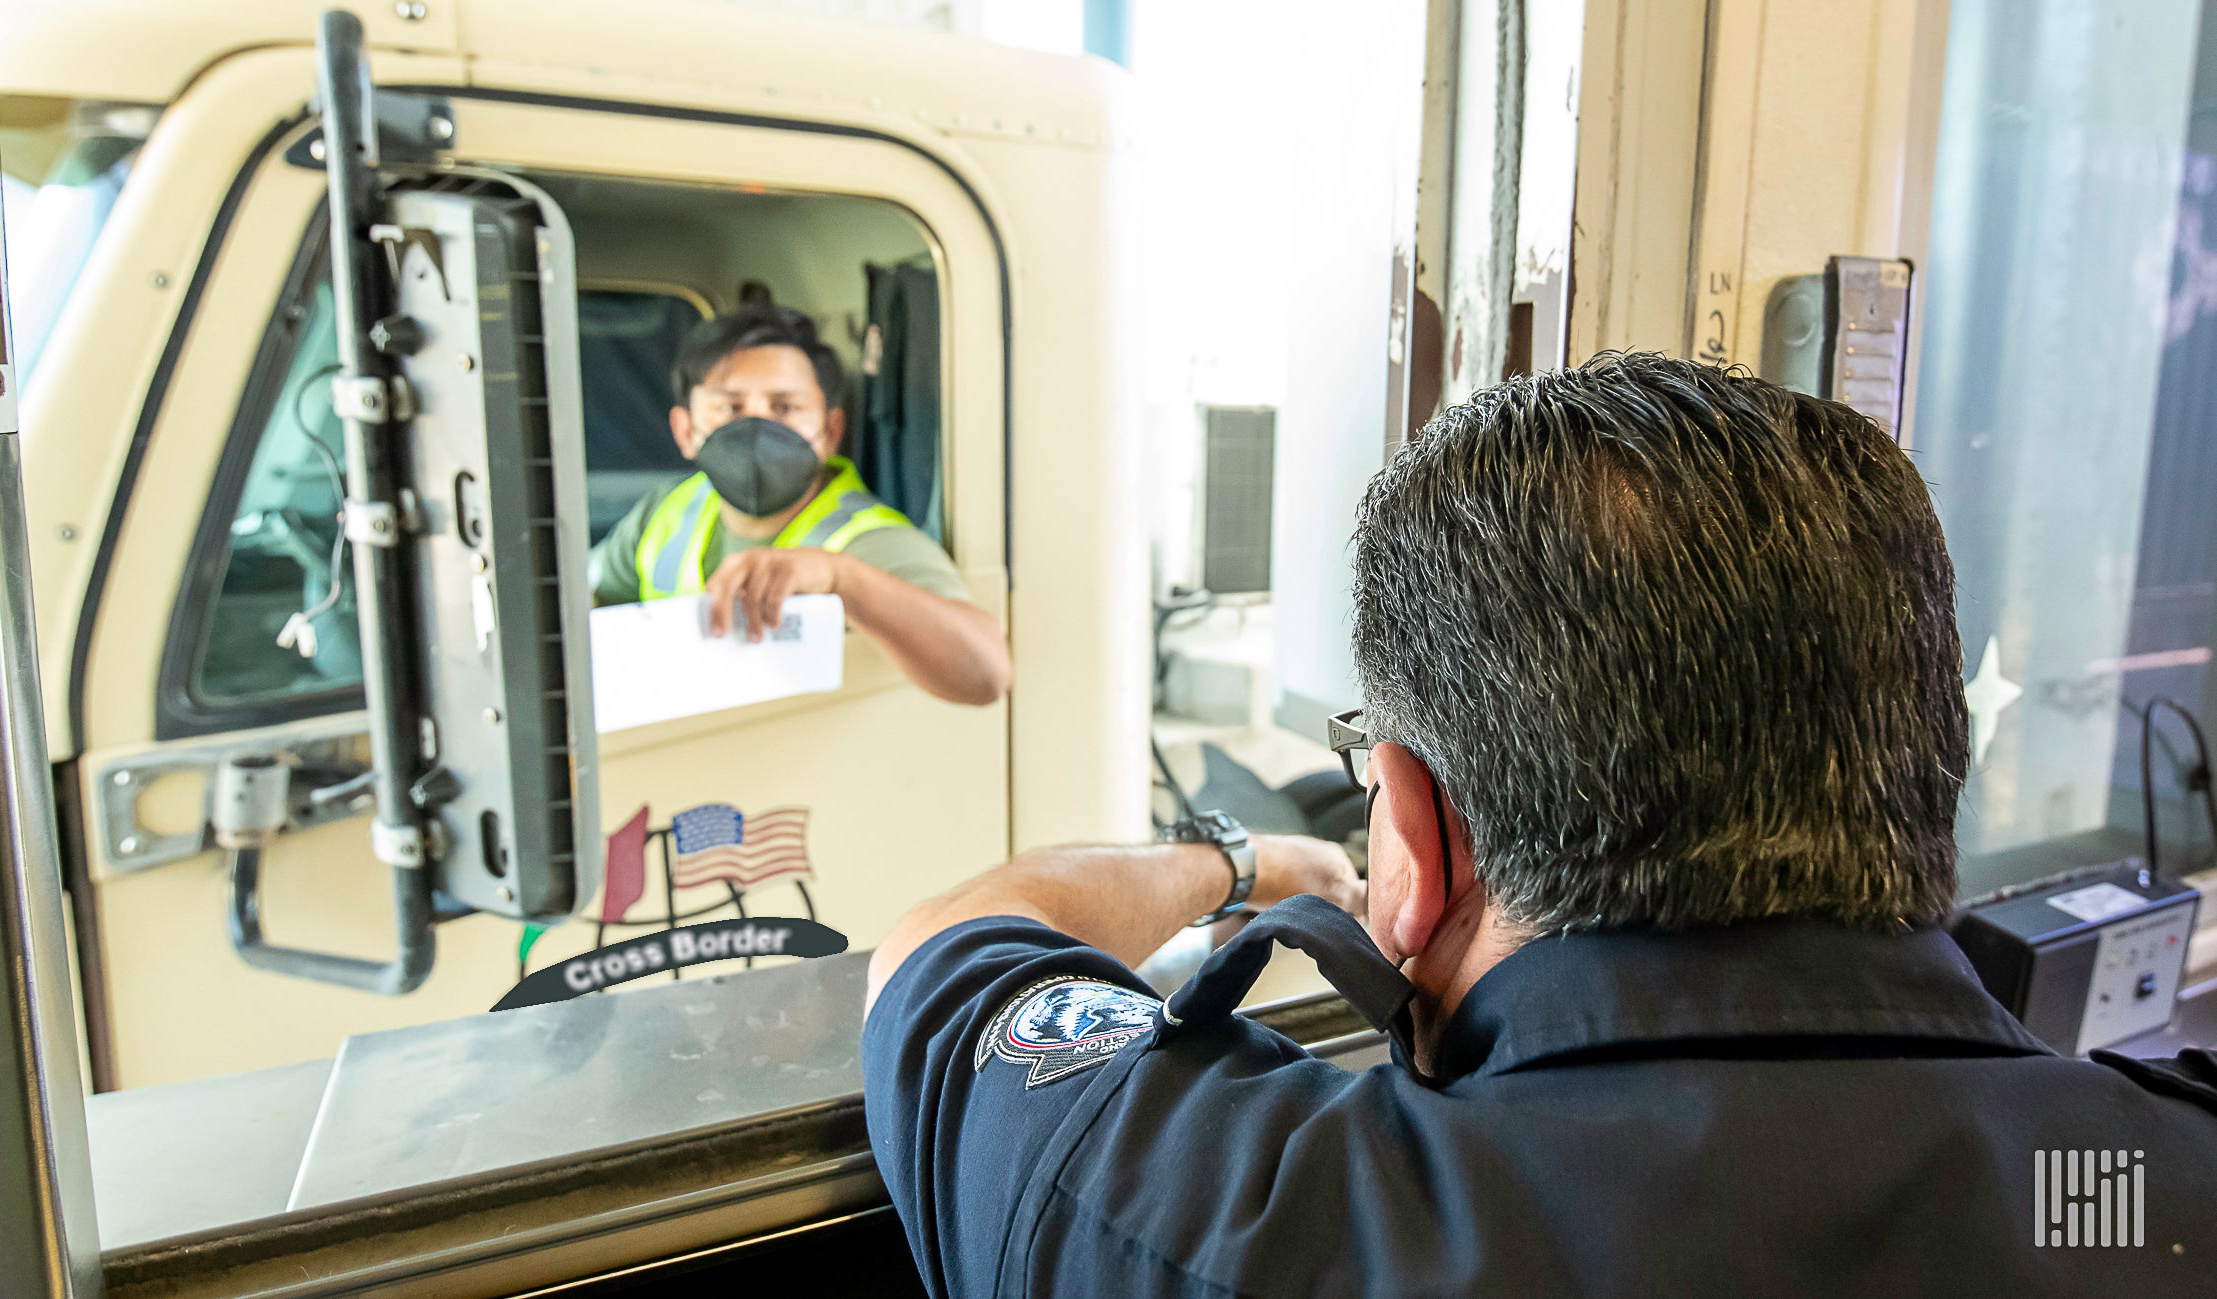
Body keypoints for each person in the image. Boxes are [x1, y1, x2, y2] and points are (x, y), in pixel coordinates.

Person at [860, 353, 2217, 1297]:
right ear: (1927, 754)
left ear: (1416, 832)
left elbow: (945, 944)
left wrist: (1240, 860)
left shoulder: (1248, 1223)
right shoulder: (2132, 1193)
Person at [588, 304, 1011, 706]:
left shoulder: (867, 539)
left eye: (784, 407)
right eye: (731, 407)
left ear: (830, 431)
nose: (757, 425)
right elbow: (590, 602)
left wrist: (841, 579)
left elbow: (986, 673)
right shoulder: (666, 512)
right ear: (684, 430)